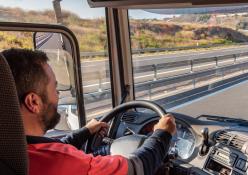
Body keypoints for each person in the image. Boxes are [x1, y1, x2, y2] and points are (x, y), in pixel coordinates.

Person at [2, 48, 176, 175]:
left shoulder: (13, 151)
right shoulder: (61, 162)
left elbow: (54, 149)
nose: (58, 95)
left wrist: (85, 131)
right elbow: (136, 168)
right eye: (55, 89)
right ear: (34, 102)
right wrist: (162, 134)